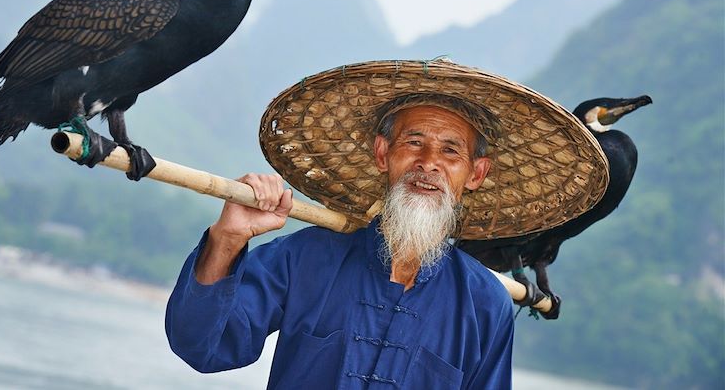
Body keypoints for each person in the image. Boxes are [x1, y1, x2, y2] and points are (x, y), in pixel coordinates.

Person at [165, 60, 609, 389]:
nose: (428, 164)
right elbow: (204, 346)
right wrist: (227, 239)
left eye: (451, 152)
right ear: (383, 154)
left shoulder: (484, 304)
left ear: (475, 175)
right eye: (413, 143)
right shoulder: (305, 258)